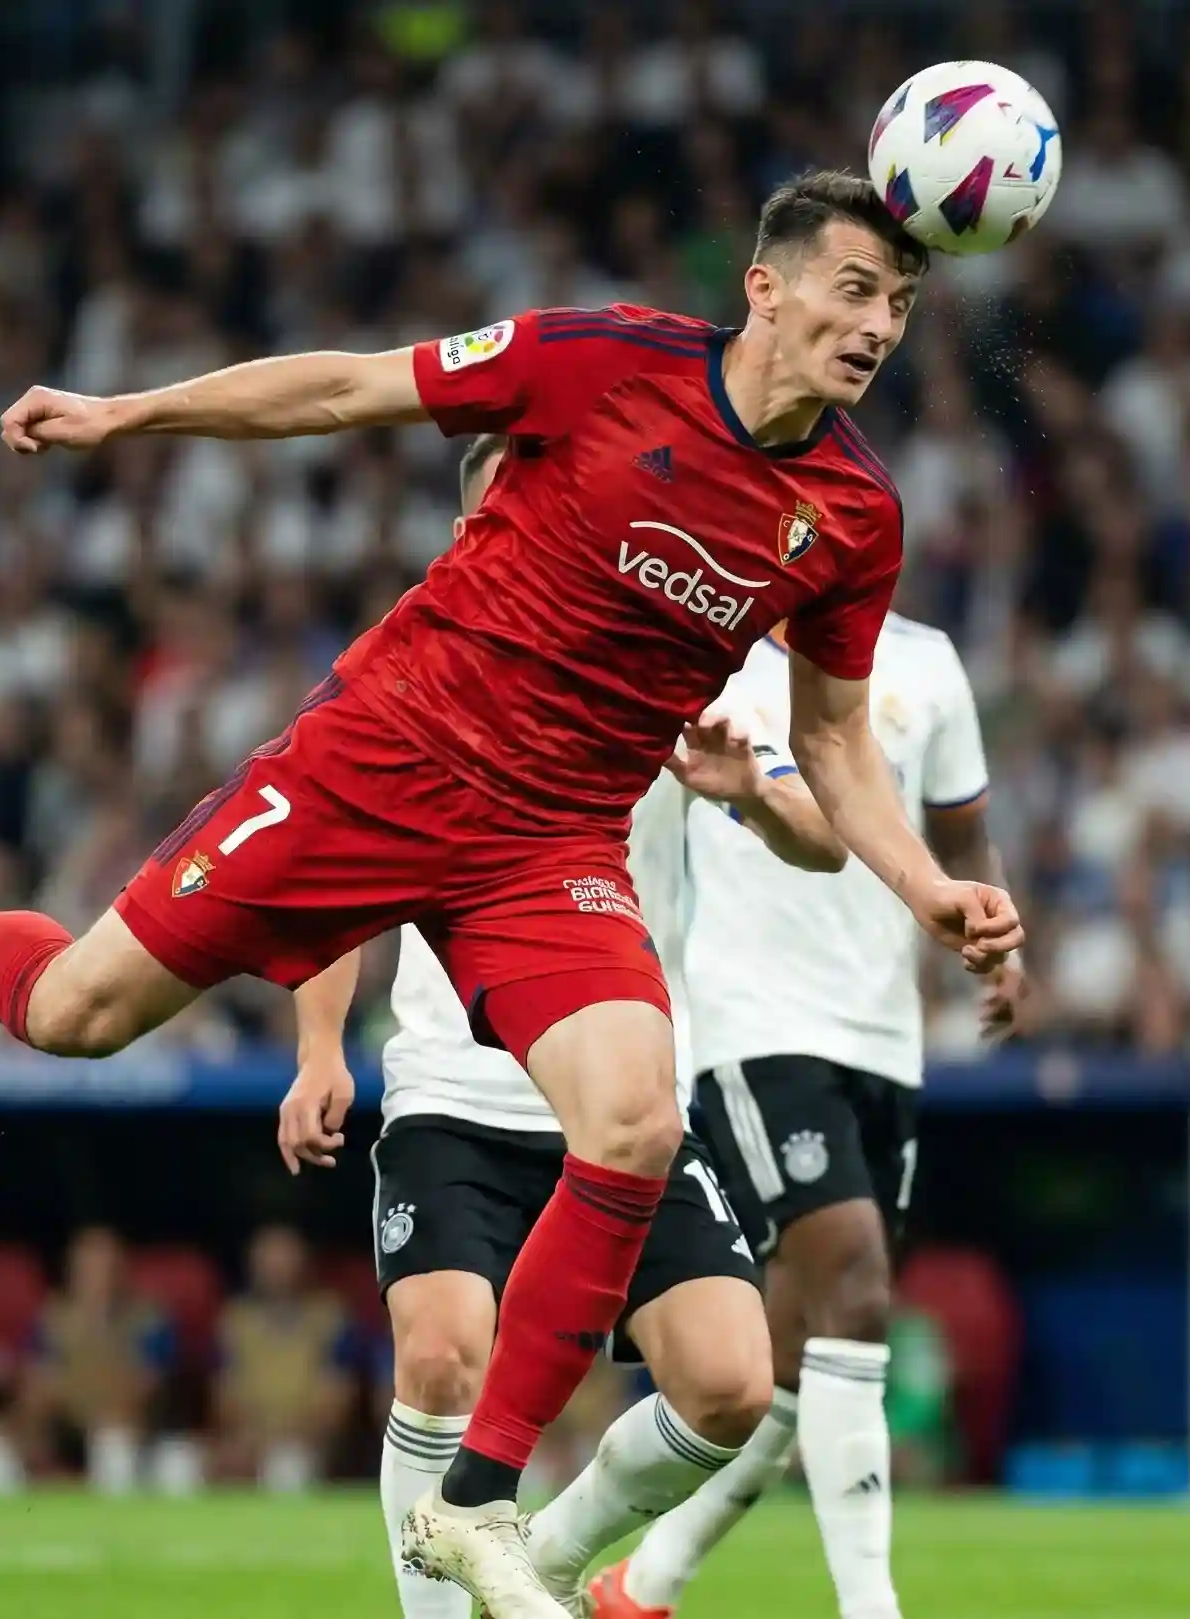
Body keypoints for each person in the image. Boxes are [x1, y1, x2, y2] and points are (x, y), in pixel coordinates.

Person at [0, 168, 1022, 1617]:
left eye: (904, 303)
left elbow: (835, 737)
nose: (879, 324)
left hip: (553, 839)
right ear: (767, 287)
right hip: (383, 758)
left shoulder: (853, 509)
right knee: (77, 1010)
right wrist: (126, 414)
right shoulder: (602, 359)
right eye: (856, 290)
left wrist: (924, 881)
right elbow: (347, 387)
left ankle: (477, 1504)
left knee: (633, 1115)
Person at [280, 432, 842, 1618]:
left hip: (624, 1106)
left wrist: (752, 792)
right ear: (467, 530)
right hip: (455, 1088)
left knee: (732, 1382)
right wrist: (320, 1045)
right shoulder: (416, 669)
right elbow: (329, 869)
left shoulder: (685, 653)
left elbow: (824, 833)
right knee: (439, 1355)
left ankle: (545, 1555)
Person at [593, 611, 1017, 1619]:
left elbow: (959, 830)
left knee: (792, 1364)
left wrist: (1000, 934)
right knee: (859, 1290)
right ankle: (871, 1605)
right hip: (757, 1026)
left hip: (885, 1036)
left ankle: (640, 1583)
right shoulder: (711, 652)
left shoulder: (929, 661)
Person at [13, 1225, 174, 1492]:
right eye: (89, 1269)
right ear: (73, 1273)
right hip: (66, 1426)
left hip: (131, 1431)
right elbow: (38, 1386)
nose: (100, 1278)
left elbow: (146, 1387)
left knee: (114, 1439)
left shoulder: (150, 1319)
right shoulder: (52, 1318)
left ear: (123, 1272)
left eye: (108, 1268)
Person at [210, 1224, 357, 1491]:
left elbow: (338, 1400)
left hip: (304, 1440)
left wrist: (291, 1437)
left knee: (286, 1465)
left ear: (303, 1264)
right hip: (249, 1437)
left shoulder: (331, 1317)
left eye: (285, 1261)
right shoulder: (236, 1319)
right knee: (180, 1462)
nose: (277, 1270)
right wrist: (247, 1440)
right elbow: (223, 1394)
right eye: (269, 1261)